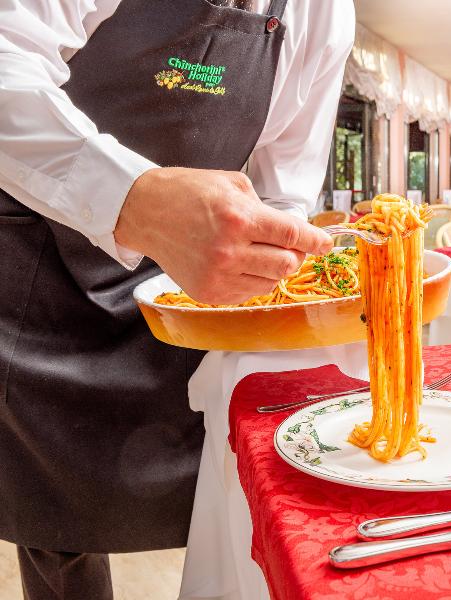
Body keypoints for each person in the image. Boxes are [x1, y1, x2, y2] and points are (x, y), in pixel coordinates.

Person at [0, 0, 354, 597]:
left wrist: (266, 251)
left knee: (231, 486)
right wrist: (130, 197)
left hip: (196, 286)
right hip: (45, 256)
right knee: (55, 509)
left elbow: (284, 190)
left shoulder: (324, 13)